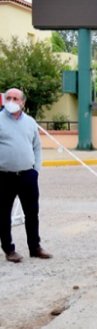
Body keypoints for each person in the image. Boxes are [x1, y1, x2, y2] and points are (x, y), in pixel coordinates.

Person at [0, 88, 52, 263]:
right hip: (4, 176)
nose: (12, 101)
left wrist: (36, 169)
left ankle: (35, 247)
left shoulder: (30, 122)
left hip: (27, 175)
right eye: (8, 98)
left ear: (23, 102)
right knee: (3, 213)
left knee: (32, 212)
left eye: (16, 98)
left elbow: (37, 147)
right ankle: (9, 249)